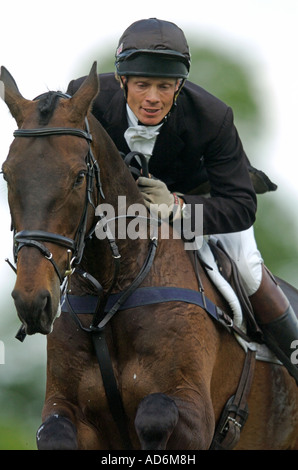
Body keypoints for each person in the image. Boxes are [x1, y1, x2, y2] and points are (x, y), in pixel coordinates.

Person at [67, 18, 298, 383]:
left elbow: (241, 206)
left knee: (249, 269)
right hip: (119, 214)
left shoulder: (213, 117)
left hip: (200, 204)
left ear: (180, 85)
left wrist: (177, 207)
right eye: (142, 85)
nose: (153, 98)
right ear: (122, 80)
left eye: (165, 86)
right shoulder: (87, 100)